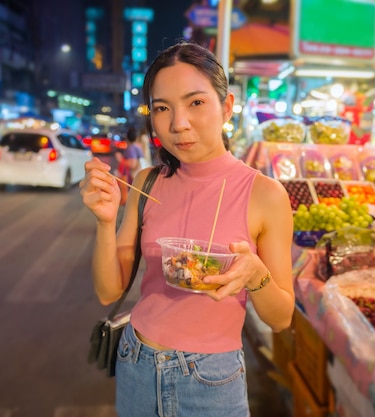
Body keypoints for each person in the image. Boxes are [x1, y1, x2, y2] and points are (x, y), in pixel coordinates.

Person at [79, 41, 294, 417]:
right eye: (162, 108)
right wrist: (105, 220)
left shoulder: (264, 194)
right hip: (136, 362)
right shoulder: (147, 182)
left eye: (196, 102)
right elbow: (107, 290)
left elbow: (280, 319)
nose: (178, 124)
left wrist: (256, 276)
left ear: (226, 108)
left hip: (211, 378)